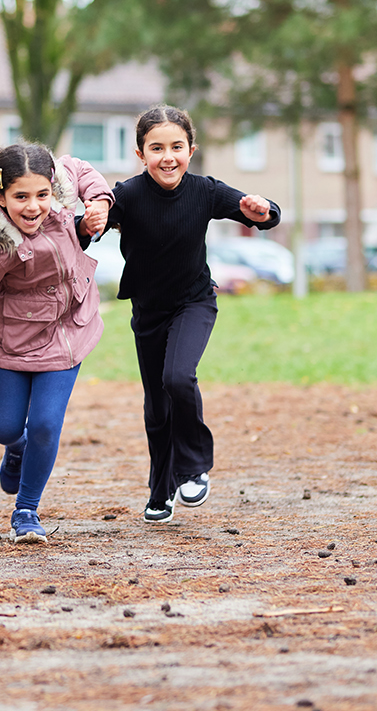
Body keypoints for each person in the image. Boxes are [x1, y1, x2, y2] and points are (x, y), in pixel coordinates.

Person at [103, 104, 280, 524]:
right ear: (140, 154)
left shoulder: (204, 190)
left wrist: (265, 208)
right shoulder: (127, 194)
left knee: (177, 377)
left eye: (177, 147)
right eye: (156, 148)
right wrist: (89, 220)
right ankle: (160, 490)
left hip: (194, 302)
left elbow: (260, 213)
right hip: (148, 311)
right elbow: (88, 231)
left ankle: (194, 466)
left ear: (191, 150)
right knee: (156, 405)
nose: (168, 156)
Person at [0, 143, 112, 543]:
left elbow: (81, 168)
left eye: (42, 194)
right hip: (14, 340)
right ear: (0, 197)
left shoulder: (62, 197)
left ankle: (26, 510)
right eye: (20, 197)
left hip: (68, 330)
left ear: (53, 187)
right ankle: (15, 448)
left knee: (46, 426)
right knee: (3, 428)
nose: (34, 207)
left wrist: (100, 200)